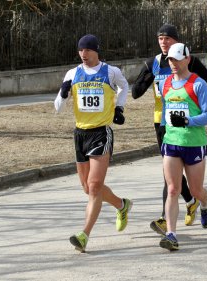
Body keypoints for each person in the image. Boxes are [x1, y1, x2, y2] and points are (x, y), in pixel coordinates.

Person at [54, 34, 132, 252]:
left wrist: (119, 108)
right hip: (80, 134)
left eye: (87, 50)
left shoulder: (110, 71)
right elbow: (57, 108)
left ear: (96, 51)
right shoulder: (73, 73)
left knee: (95, 185)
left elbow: (124, 87)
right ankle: (121, 204)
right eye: (80, 51)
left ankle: (84, 235)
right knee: (88, 188)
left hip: (101, 133)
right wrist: (63, 93)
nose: (83, 54)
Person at [132, 24, 207, 235]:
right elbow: (136, 91)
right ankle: (169, 225)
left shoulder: (190, 62)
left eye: (167, 38)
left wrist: (189, 106)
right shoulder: (155, 64)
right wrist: (147, 77)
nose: (163, 42)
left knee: (188, 184)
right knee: (170, 179)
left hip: (191, 132)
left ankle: (197, 200)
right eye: (160, 38)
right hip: (163, 124)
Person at [158, 42, 207, 251]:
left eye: (176, 59)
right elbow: (165, 112)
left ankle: (205, 204)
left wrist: (188, 120)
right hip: (171, 143)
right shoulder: (166, 85)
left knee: (196, 190)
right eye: (170, 60)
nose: (172, 63)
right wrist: (165, 130)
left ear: (187, 59)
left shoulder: (198, 84)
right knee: (173, 189)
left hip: (194, 143)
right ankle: (171, 234)